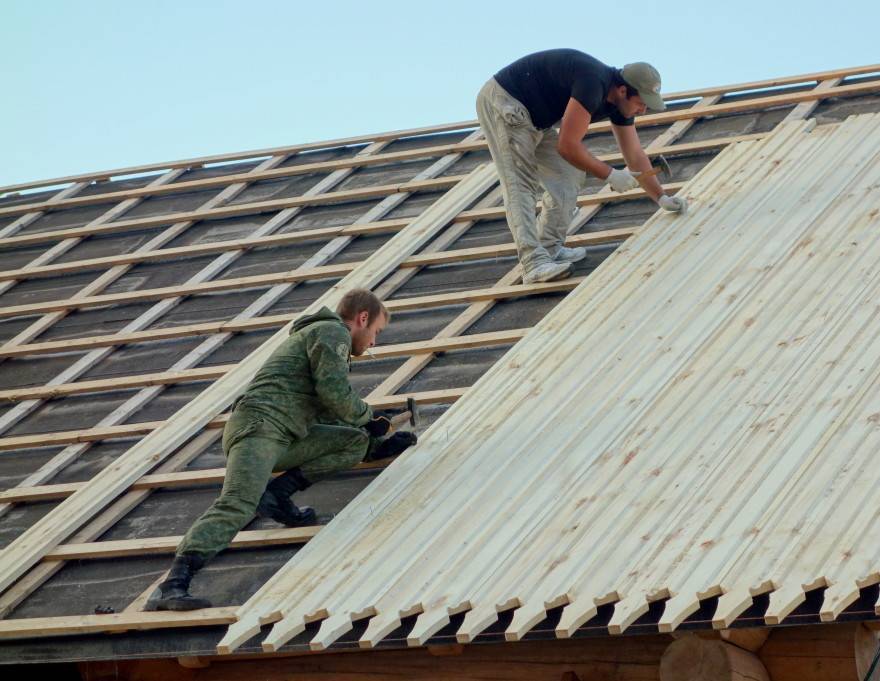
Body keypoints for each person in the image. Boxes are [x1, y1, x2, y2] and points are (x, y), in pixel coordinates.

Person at [146, 288, 417, 611]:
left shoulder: (321, 340)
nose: (374, 342)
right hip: (260, 427)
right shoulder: (332, 332)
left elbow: (332, 411)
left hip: (286, 433)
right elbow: (334, 391)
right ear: (362, 318)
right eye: (376, 332)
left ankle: (277, 495)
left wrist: (376, 442)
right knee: (238, 503)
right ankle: (172, 585)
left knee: (352, 441)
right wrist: (366, 417)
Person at [476, 48, 686, 285]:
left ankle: (549, 248)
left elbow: (634, 154)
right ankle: (533, 262)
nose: (643, 110)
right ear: (623, 90)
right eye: (641, 103)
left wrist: (660, 198)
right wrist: (610, 175)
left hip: (535, 119)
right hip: (505, 102)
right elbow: (567, 145)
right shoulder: (592, 83)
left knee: (569, 174)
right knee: (520, 183)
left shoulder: (620, 102)